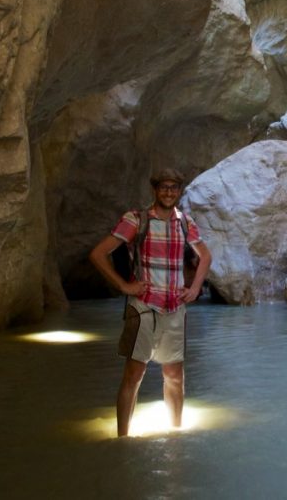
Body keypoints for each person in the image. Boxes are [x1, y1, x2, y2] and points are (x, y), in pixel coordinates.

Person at [88, 167, 212, 437]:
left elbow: (205, 256)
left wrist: (195, 288)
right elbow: (98, 253)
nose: (169, 192)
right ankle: (122, 438)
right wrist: (123, 285)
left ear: (179, 191)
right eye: (164, 187)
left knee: (175, 377)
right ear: (155, 189)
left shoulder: (185, 222)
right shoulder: (136, 219)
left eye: (174, 187)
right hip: (143, 307)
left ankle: (176, 437)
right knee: (134, 376)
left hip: (175, 309)